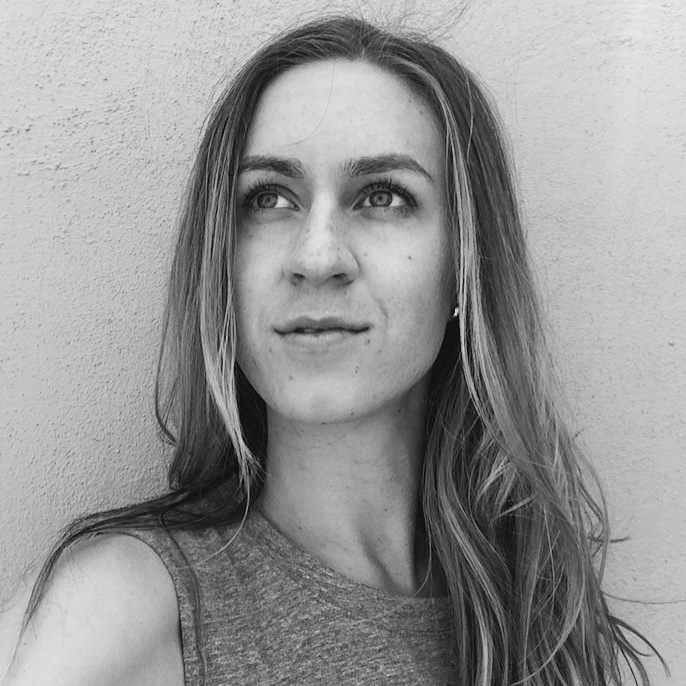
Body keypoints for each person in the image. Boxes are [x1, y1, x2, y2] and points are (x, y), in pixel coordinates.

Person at [0, 14, 666, 686]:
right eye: (268, 198)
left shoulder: (539, 616)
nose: (316, 257)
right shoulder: (126, 608)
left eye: (382, 196)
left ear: (464, 266)